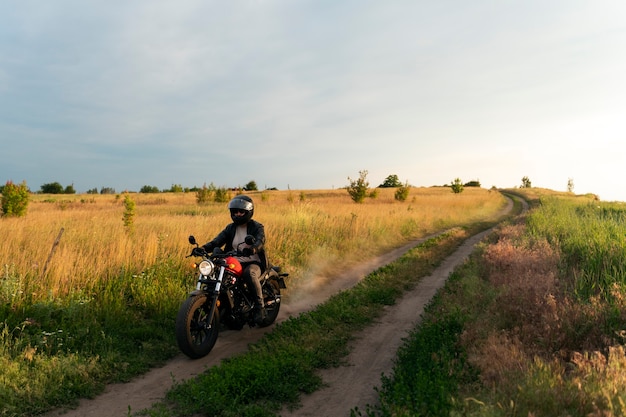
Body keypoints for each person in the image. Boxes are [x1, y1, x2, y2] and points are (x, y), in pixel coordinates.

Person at [201, 195, 267, 324]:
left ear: (248, 212)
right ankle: (225, 308)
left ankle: (260, 308)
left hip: (253, 262)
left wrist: (253, 249)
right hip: (233, 261)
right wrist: (203, 248)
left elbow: (260, 241)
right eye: (235, 211)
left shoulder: (257, 227)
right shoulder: (230, 228)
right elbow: (217, 241)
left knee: (249, 273)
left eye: (241, 212)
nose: (237, 214)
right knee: (219, 274)